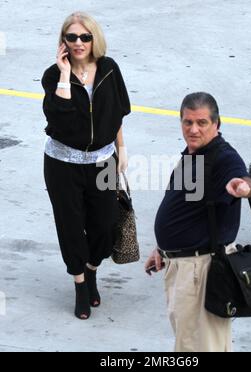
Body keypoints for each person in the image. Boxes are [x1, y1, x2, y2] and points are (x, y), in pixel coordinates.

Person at [145, 92, 251, 352]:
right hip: (183, 265)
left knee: (201, 347)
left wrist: (243, 187)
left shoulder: (223, 158)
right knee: (189, 343)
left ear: (217, 124)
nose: (193, 129)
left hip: (201, 271)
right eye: (187, 122)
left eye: (202, 123)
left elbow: (244, 180)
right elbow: (184, 208)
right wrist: (163, 249)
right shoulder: (193, 153)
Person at [42, 12, 130, 320]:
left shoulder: (109, 69)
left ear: (95, 39)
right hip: (62, 163)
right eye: (72, 37)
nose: (79, 43)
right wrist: (65, 74)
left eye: (85, 37)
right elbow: (59, 117)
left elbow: (117, 112)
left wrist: (122, 149)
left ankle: (92, 269)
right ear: (63, 42)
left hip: (103, 161)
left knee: (105, 225)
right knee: (70, 227)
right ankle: (80, 284)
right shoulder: (52, 76)